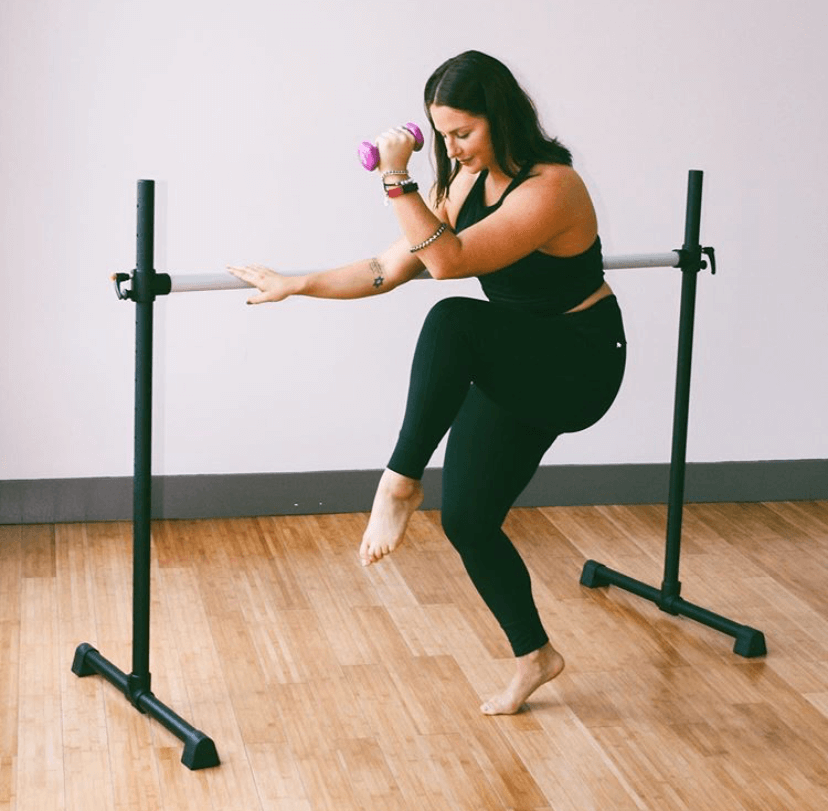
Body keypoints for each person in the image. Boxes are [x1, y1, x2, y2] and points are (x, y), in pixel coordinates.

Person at [229, 50, 626, 715]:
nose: (451, 146)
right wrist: (296, 283)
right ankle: (536, 656)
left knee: (452, 320)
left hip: (577, 360)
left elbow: (448, 262)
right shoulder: (466, 185)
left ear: (501, 119)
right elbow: (389, 266)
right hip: (517, 356)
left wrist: (394, 177)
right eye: (440, 133)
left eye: (462, 132)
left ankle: (400, 478)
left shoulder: (552, 186)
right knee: (469, 519)